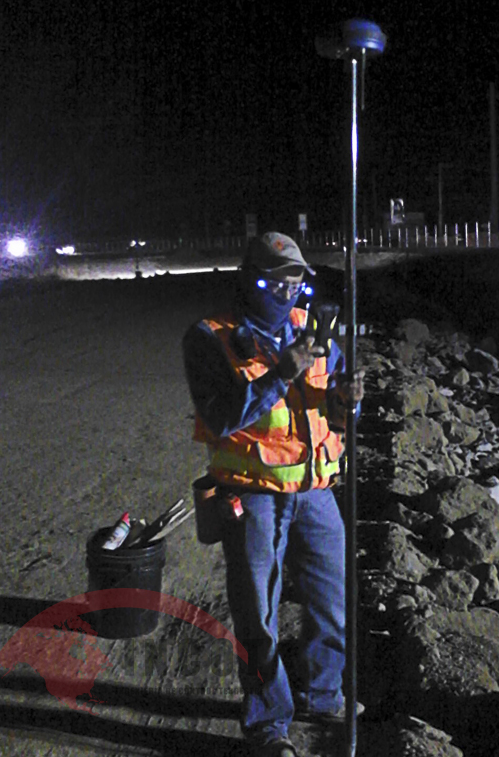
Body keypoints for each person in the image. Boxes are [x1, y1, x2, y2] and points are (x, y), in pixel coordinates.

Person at [182, 232, 364, 757]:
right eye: (274, 281)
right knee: (256, 613)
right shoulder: (210, 337)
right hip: (253, 495)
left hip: (316, 491)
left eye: (295, 281)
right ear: (249, 279)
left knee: (334, 600)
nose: (286, 291)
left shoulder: (314, 329)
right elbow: (219, 417)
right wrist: (280, 374)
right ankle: (268, 722)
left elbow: (328, 409)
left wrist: (347, 402)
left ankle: (322, 694)